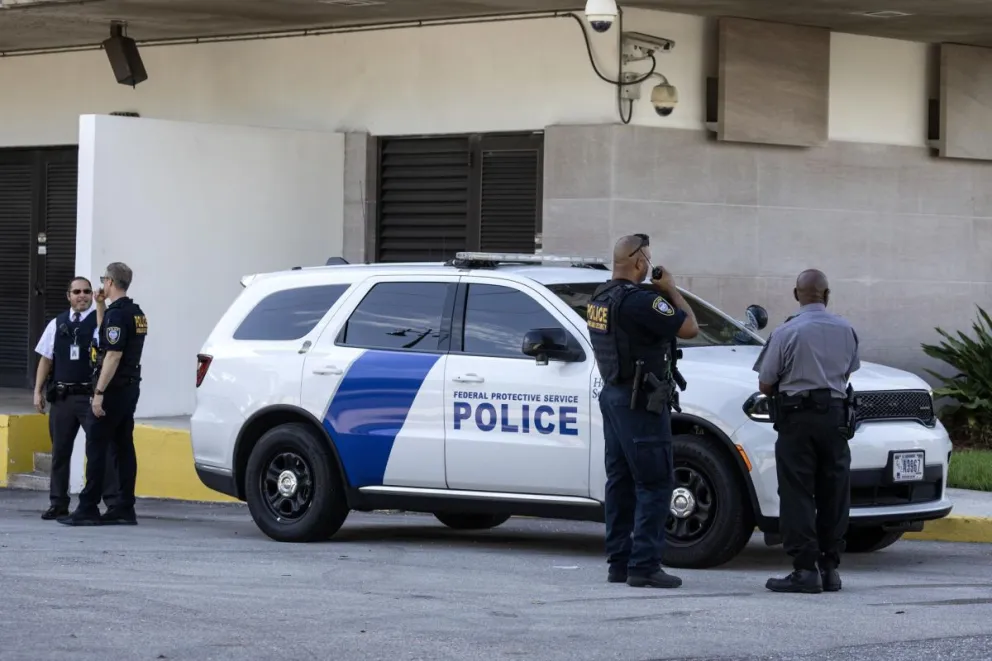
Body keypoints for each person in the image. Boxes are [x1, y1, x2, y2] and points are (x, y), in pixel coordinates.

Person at [586, 234, 699, 588]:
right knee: (655, 482)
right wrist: (672, 289)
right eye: (648, 259)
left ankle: (619, 562)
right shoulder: (641, 302)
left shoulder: (600, 297)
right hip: (640, 403)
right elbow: (690, 328)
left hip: (614, 396)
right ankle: (645, 565)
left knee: (620, 481)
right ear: (639, 262)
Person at [752, 269, 861, 594]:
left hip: (797, 419)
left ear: (796, 294)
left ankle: (804, 570)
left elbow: (765, 383)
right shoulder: (847, 330)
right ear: (827, 295)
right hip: (836, 418)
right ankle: (829, 569)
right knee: (834, 492)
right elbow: (848, 372)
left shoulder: (787, 331)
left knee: (797, 492)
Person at [59, 262, 148, 527]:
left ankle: (88, 507)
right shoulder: (135, 313)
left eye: (103, 281)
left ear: (109, 281)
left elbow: (112, 354)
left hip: (113, 389)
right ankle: (124, 507)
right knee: (123, 446)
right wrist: (100, 305)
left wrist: (99, 392)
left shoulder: (117, 315)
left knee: (96, 446)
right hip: (129, 387)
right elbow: (105, 336)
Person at [32, 277, 119, 520]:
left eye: (87, 291)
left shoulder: (100, 319)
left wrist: (101, 306)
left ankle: (111, 503)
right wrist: (37, 391)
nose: (82, 295)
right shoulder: (57, 323)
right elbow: (45, 359)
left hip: (89, 397)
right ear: (68, 296)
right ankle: (58, 503)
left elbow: (107, 346)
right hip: (62, 398)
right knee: (60, 452)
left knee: (99, 451)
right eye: (77, 291)